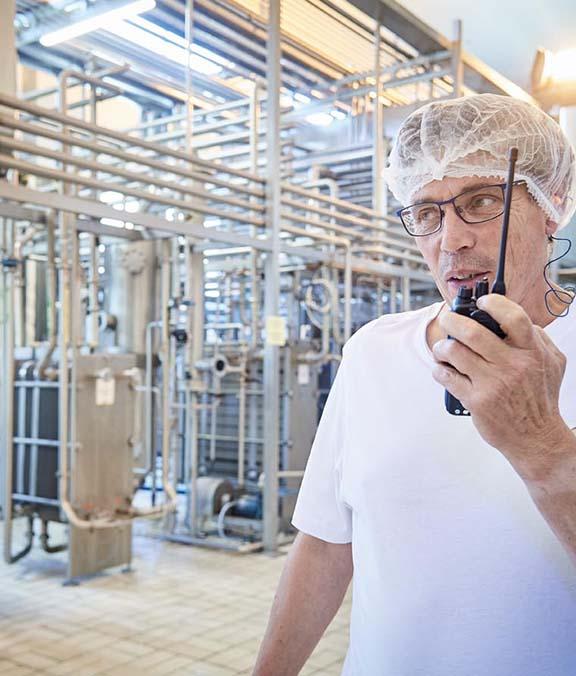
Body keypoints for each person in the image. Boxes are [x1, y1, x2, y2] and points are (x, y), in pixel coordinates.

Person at [253, 93, 576, 676]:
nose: (451, 241)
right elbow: (325, 544)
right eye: (427, 213)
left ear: (551, 203)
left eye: (482, 201)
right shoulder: (373, 351)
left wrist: (543, 446)